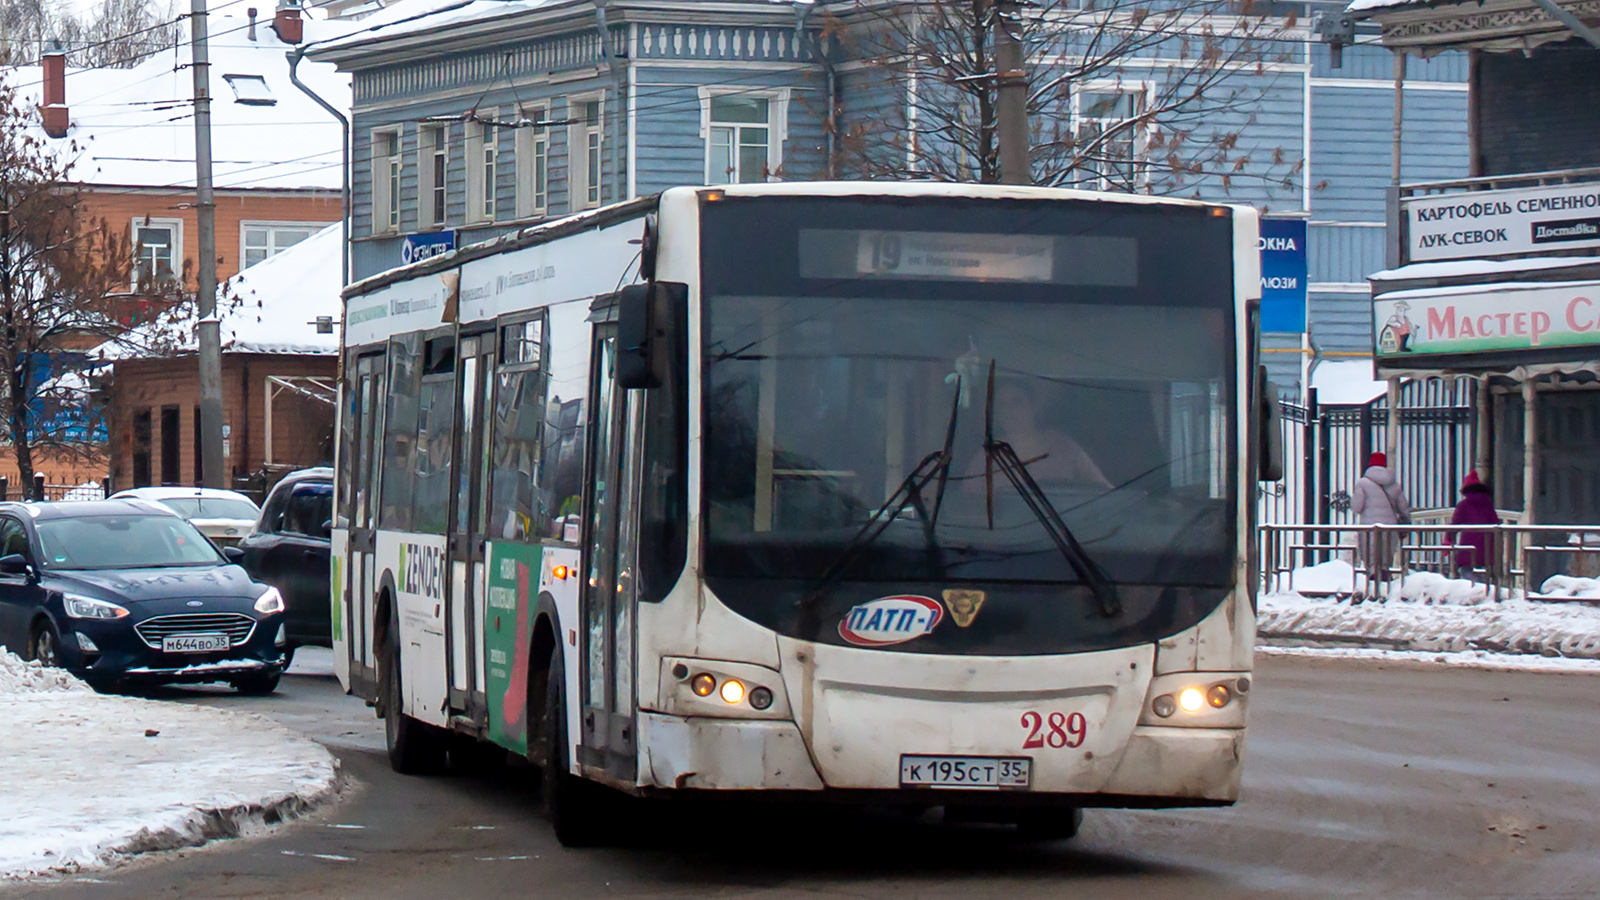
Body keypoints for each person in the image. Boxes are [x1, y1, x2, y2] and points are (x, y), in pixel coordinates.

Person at [1350, 451, 1410, 589]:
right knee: (1385, 558)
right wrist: (1406, 522)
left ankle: (1371, 585)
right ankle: (1384, 583)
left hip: (1369, 528)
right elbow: (1403, 507)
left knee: (1371, 557)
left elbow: (1357, 507)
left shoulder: (1362, 483)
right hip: (1390, 528)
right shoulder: (1393, 484)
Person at [1451, 470, 1498, 573]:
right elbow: (1496, 523)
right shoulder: (1488, 504)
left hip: (1468, 549)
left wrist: (1449, 539)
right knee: (1483, 580)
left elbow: (1454, 525)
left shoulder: (1464, 505)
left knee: (1467, 579)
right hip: (1486, 550)